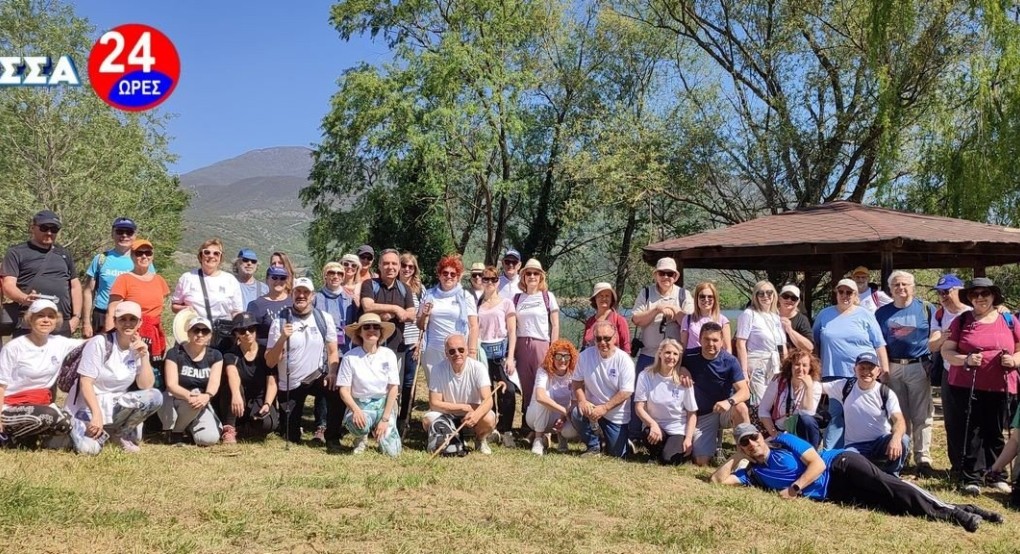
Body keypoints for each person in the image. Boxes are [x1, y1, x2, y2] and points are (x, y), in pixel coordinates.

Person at [710, 423, 1002, 533]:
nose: (752, 444)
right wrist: (737, 457)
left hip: (840, 464)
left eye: (754, 438)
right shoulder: (753, 473)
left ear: (762, 435)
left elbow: (816, 465)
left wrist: (795, 488)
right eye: (745, 443)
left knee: (891, 485)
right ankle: (966, 509)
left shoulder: (783, 441)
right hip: (835, 493)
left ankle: (956, 517)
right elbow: (717, 483)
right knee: (895, 504)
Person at [940, 277, 1020, 496]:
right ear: (970, 298)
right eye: (975, 295)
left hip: (1001, 385)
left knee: (995, 431)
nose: (980, 298)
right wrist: (965, 360)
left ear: (993, 296)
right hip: (966, 385)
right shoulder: (962, 320)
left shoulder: (1009, 320)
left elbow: (1019, 349)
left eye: (985, 294)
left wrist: (1014, 360)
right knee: (970, 431)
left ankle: (996, 475)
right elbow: (946, 351)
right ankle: (971, 476)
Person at [65, 301, 163, 454]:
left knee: (155, 397)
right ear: (115, 322)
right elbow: (86, 382)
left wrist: (144, 356)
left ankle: (119, 433)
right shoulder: (100, 343)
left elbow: (146, 386)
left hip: (115, 406)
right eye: (123, 319)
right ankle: (79, 427)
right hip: (88, 407)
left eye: (133, 319)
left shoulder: (137, 346)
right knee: (88, 450)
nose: (128, 324)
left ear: (140, 323)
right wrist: (96, 415)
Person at [813, 278, 888, 450]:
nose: (845, 295)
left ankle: (863, 451)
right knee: (836, 415)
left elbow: (879, 344)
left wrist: (885, 370)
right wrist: (815, 371)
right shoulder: (824, 315)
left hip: (863, 373)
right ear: (836, 293)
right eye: (841, 292)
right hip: (833, 373)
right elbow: (815, 344)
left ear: (855, 295)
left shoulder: (865, 315)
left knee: (862, 413)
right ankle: (832, 455)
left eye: (849, 292)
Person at [265, 278, 341, 445]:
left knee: (336, 391)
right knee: (290, 436)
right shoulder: (279, 321)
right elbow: (270, 362)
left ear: (312, 296)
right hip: (290, 384)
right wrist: (282, 339)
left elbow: (333, 351)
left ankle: (332, 436)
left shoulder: (324, 319)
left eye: (306, 292)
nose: (301, 295)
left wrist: (333, 372)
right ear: (292, 294)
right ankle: (292, 429)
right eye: (298, 291)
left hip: (316, 376)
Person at [875, 270, 934, 475]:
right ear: (890, 289)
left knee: (922, 414)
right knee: (899, 414)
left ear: (913, 286)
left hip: (918, 365)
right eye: (896, 285)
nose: (901, 288)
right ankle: (903, 452)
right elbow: (878, 342)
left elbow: (936, 335)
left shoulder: (926, 309)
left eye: (905, 284)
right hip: (892, 367)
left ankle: (922, 456)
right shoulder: (882, 313)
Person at [0, 299, 81, 445]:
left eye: (51, 316)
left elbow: (94, 342)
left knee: (67, 424)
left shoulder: (59, 343)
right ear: (30, 319)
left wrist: (131, 342)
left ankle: (26, 437)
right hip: (11, 404)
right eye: (40, 315)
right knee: (48, 417)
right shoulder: (14, 347)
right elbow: (1, 386)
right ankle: (9, 437)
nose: (46, 320)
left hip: (40, 404)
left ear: (56, 321)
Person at [821, 352, 909, 476]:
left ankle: (892, 476)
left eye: (871, 368)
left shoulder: (885, 392)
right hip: (854, 446)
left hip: (880, 443)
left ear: (878, 371)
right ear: (854, 369)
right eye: (862, 368)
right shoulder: (844, 387)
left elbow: (899, 420)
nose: (866, 372)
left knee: (903, 440)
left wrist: (895, 438)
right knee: (845, 467)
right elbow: (817, 388)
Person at [1, 210, 82, 337]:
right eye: (44, 228)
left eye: (54, 229)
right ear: (33, 228)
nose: (49, 232)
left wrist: (76, 318)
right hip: (29, 321)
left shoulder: (64, 254)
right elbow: (8, 285)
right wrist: (24, 298)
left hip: (61, 322)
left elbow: (75, 286)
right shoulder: (16, 252)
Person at [679, 322, 751, 465]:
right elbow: (668, 365)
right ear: (699, 339)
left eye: (715, 340)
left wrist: (729, 402)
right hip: (703, 414)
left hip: (725, 410)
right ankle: (710, 450)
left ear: (722, 341)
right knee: (701, 461)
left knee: (741, 407)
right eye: (706, 339)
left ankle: (744, 455)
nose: (710, 343)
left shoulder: (730, 361)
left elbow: (745, 391)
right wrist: (680, 369)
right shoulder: (688, 356)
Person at [106, 238, 171, 388]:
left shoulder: (159, 280)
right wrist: (110, 339)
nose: (143, 256)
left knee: (153, 374)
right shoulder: (124, 279)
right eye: (139, 253)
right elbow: (112, 310)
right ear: (132, 256)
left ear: (152, 256)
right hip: (131, 333)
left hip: (154, 335)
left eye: (147, 253)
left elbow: (160, 311)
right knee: (130, 375)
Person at [928, 274, 972, 478]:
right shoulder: (938, 314)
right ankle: (957, 466)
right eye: (940, 292)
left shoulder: (973, 312)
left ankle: (977, 465)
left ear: (958, 291)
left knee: (975, 420)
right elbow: (932, 344)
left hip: (974, 373)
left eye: (947, 291)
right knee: (952, 421)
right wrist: (944, 338)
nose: (943, 296)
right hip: (949, 371)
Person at [338, 313, 401, 456]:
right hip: (361, 406)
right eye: (366, 327)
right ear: (360, 332)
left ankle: (382, 434)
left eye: (376, 327)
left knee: (393, 453)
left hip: (384, 405)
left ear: (380, 332)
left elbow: (393, 388)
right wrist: (355, 410)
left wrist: (385, 419)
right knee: (358, 425)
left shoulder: (389, 354)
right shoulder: (350, 357)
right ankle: (361, 437)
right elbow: (344, 390)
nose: (371, 330)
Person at [569, 320, 635, 458]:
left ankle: (621, 442)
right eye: (598, 338)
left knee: (617, 455)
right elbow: (576, 382)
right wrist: (582, 401)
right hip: (592, 409)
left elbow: (626, 392)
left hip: (615, 414)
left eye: (607, 338)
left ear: (615, 338)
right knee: (576, 413)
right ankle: (594, 447)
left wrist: (604, 408)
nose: (603, 342)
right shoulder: (585, 356)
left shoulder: (624, 360)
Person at [510, 258, 560, 436]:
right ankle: (527, 424)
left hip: (541, 344)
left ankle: (544, 427)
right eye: (528, 273)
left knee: (543, 385)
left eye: (535, 273)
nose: (532, 276)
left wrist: (553, 350)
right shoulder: (516, 298)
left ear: (541, 277)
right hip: (522, 345)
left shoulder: (548, 297)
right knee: (526, 386)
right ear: (523, 277)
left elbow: (554, 325)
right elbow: (512, 327)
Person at [423, 334, 495, 454]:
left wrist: (476, 415)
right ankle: (455, 438)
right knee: (428, 420)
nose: (457, 354)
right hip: (448, 415)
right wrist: (463, 407)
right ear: (446, 353)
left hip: (472, 414)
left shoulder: (478, 367)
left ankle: (480, 439)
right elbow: (434, 403)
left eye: (461, 350)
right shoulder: (437, 369)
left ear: (467, 350)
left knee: (489, 418)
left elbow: (488, 400)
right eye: (452, 351)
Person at [83, 217, 152, 338]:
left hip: (131, 318)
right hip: (102, 315)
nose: (124, 236)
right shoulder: (101, 259)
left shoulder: (143, 260)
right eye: (120, 231)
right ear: (112, 233)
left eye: (129, 232)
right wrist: (86, 322)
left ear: (135, 235)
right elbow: (88, 291)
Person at [171, 238, 244, 351]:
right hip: (193, 335)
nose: (211, 256)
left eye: (216, 253)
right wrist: (185, 309)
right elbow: (174, 306)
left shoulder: (230, 280)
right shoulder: (188, 278)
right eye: (207, 252)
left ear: (220, 258)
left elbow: (237, 312)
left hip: (221, 339)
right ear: (201, 255)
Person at [634, 339, 699, 464]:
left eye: (675, 354)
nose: (671, 357)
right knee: (648, 433)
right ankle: (655, 453)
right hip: (656, 427)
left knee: (669, 460)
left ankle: (669, 453)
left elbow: (692, 413)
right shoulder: (645, 375)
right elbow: (639, 407)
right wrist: (652, 424)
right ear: (660, 354)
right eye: (667, 352)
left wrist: (689, 439)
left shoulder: (684, 381)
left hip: (677, 429)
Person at [162, 316, 223, 446]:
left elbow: (214, 382)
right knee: (192, 398)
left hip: (200, 403)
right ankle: (175, 432)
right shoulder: (174, 353)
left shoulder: (216, 355)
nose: (200, 334)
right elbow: (171, 385)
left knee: (209, 439)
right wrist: (190, 396)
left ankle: (187, 428)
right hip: (176, 400)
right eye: (196, 330)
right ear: (188, 333)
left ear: (210, 335)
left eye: (204, 331)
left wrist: (207, 396)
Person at [218, 313, 279, 443]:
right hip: (236, 400)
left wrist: (268, 403)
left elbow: (272, 381)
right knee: (232, 386)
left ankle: (242, 430)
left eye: (251, 329)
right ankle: (229, 428)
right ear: (236, 334)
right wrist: (235, 394)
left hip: (259, 399)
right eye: (242, 330)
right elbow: (232, 373)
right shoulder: (231, 353)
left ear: (256, 330)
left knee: (270, 424)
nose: (247, 333)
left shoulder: (266, 353)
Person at [418, 255, 479, 382]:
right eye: (445, 273)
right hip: (433, 349)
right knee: (435, 388)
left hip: (457, 351)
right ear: (439, 275)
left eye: (453, 274)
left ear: (458, 277)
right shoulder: (429, 295)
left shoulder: (465, 296)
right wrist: (424, 314)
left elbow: (473, 326)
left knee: (457, 385)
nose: (449, 276)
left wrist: (472, 352)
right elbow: (420, 324)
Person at [476, 266, 518, 448]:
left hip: (500, 353)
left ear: (498, 281)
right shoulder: (477, 304)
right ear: (481, 281)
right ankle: (491, 429)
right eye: (486, 279)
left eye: (493, 279)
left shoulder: (507, 303)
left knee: (507, 390)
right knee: (486, 392)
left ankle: (507, 429)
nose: (490, 282)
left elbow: (512, 331)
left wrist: (510, 357)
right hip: (482, 352)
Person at [631, 258, 694, 375]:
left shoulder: (684, 295)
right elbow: (636, 319)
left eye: (670, 274)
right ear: (655, 275)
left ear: (675, 276)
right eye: (662, 273)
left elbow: (691, 324)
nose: (666, 277)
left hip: (674, 358)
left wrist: (675, 312)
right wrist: (656, 310)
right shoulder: (645, 293)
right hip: (648, 355)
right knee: (640, 391)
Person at [360, 249, 415, 374]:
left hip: (396, 347)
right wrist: (396, 309)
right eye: (386, 263)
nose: (390, 267)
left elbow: (411, 315)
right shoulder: (369, 284)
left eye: (394, 264)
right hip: (370, 348)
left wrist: (385, 312)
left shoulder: (404, 288)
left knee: (394, 388)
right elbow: (368, 307)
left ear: (399, 266)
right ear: (379, 266)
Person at [735, 280, 787, 410]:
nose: (765, 296)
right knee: (760, 404)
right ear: (755, 296)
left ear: (774, 295)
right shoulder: (749, 314)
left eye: (769, 293)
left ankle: (773, 431)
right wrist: (744, 372)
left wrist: (786, 367)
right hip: (757, 365)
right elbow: (740, 343)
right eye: (761, 293)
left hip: (775, 366)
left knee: (776, 404)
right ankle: (759, 430)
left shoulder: (775, 316)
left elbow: (781, 345)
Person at [759, 348, 823, 447]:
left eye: (805, 365)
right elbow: (763, 409)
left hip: (801, 433)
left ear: (810, 368)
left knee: (807, 420)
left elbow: (807, 414)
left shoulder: (815, 386)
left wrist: (808, 388)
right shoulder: (779, 381)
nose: (800, 369)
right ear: (791, 366)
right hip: (779, 431)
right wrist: (774, 433)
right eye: (797, 364)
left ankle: (811, 454)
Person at [525, 339, 579, 455]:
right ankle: (538, 439)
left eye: (567, 357)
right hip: (536, 416)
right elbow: (540, 397)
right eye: (559, 356)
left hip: (560, 418)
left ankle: (562, 438)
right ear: (552, 357)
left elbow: (574, 402)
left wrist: (563, 418)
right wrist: (564, 412)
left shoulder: (573, 375)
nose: (563, 360)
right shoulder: (543, 371)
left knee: (572, 427)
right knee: (546, 397)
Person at [397, 252, 425, 426]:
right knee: (393, 381)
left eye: (411, 266)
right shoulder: (392, 287)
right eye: (404, 265)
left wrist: (421, 341)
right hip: (395, 341)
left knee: (409, 383)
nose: (407, 269)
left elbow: (424, 318)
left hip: (413, 342)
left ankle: (404, 418)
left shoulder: (420, 290)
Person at [315, 261, 358, 355]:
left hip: (345, 350)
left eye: (339, 274)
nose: (335, 276)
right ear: (325, 276)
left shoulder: (350, 299)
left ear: (343, 278)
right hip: (322, 352)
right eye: (331, 273)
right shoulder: (315, 299)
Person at [247, 266, 292, 346]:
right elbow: (249, 333)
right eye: (274, 278)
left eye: (282, 278)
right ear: (267, 279)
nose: (278, 281)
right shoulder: (256, 305)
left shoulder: (293, 302)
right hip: (264, 353)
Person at [679, 282, 730, 353]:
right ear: (696, 299)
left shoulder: (723, 320)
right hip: (692, 360)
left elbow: (727, 349)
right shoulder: (687, 319)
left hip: (714, 361)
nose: (706, 299)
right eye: (702, 296)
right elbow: (683, 347)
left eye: (710, 297)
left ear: (715, 299)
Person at [583, 282, 631, 354]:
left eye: (607, 296)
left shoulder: (619, 320)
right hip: (591, 363)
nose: (604, 298)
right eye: (601, 296)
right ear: (595, 299)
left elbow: (626, 348)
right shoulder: (590, 321)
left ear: (611, 299)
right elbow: (584, 346)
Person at [777, 284, 814, 352]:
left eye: (793, 298)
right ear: (779, 298)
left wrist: (790, 330)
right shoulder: (770, 316)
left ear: (798, 302)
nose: (789, 300)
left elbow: (809, 348)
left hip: (794, 361)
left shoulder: (802, 320)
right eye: (786, 296)